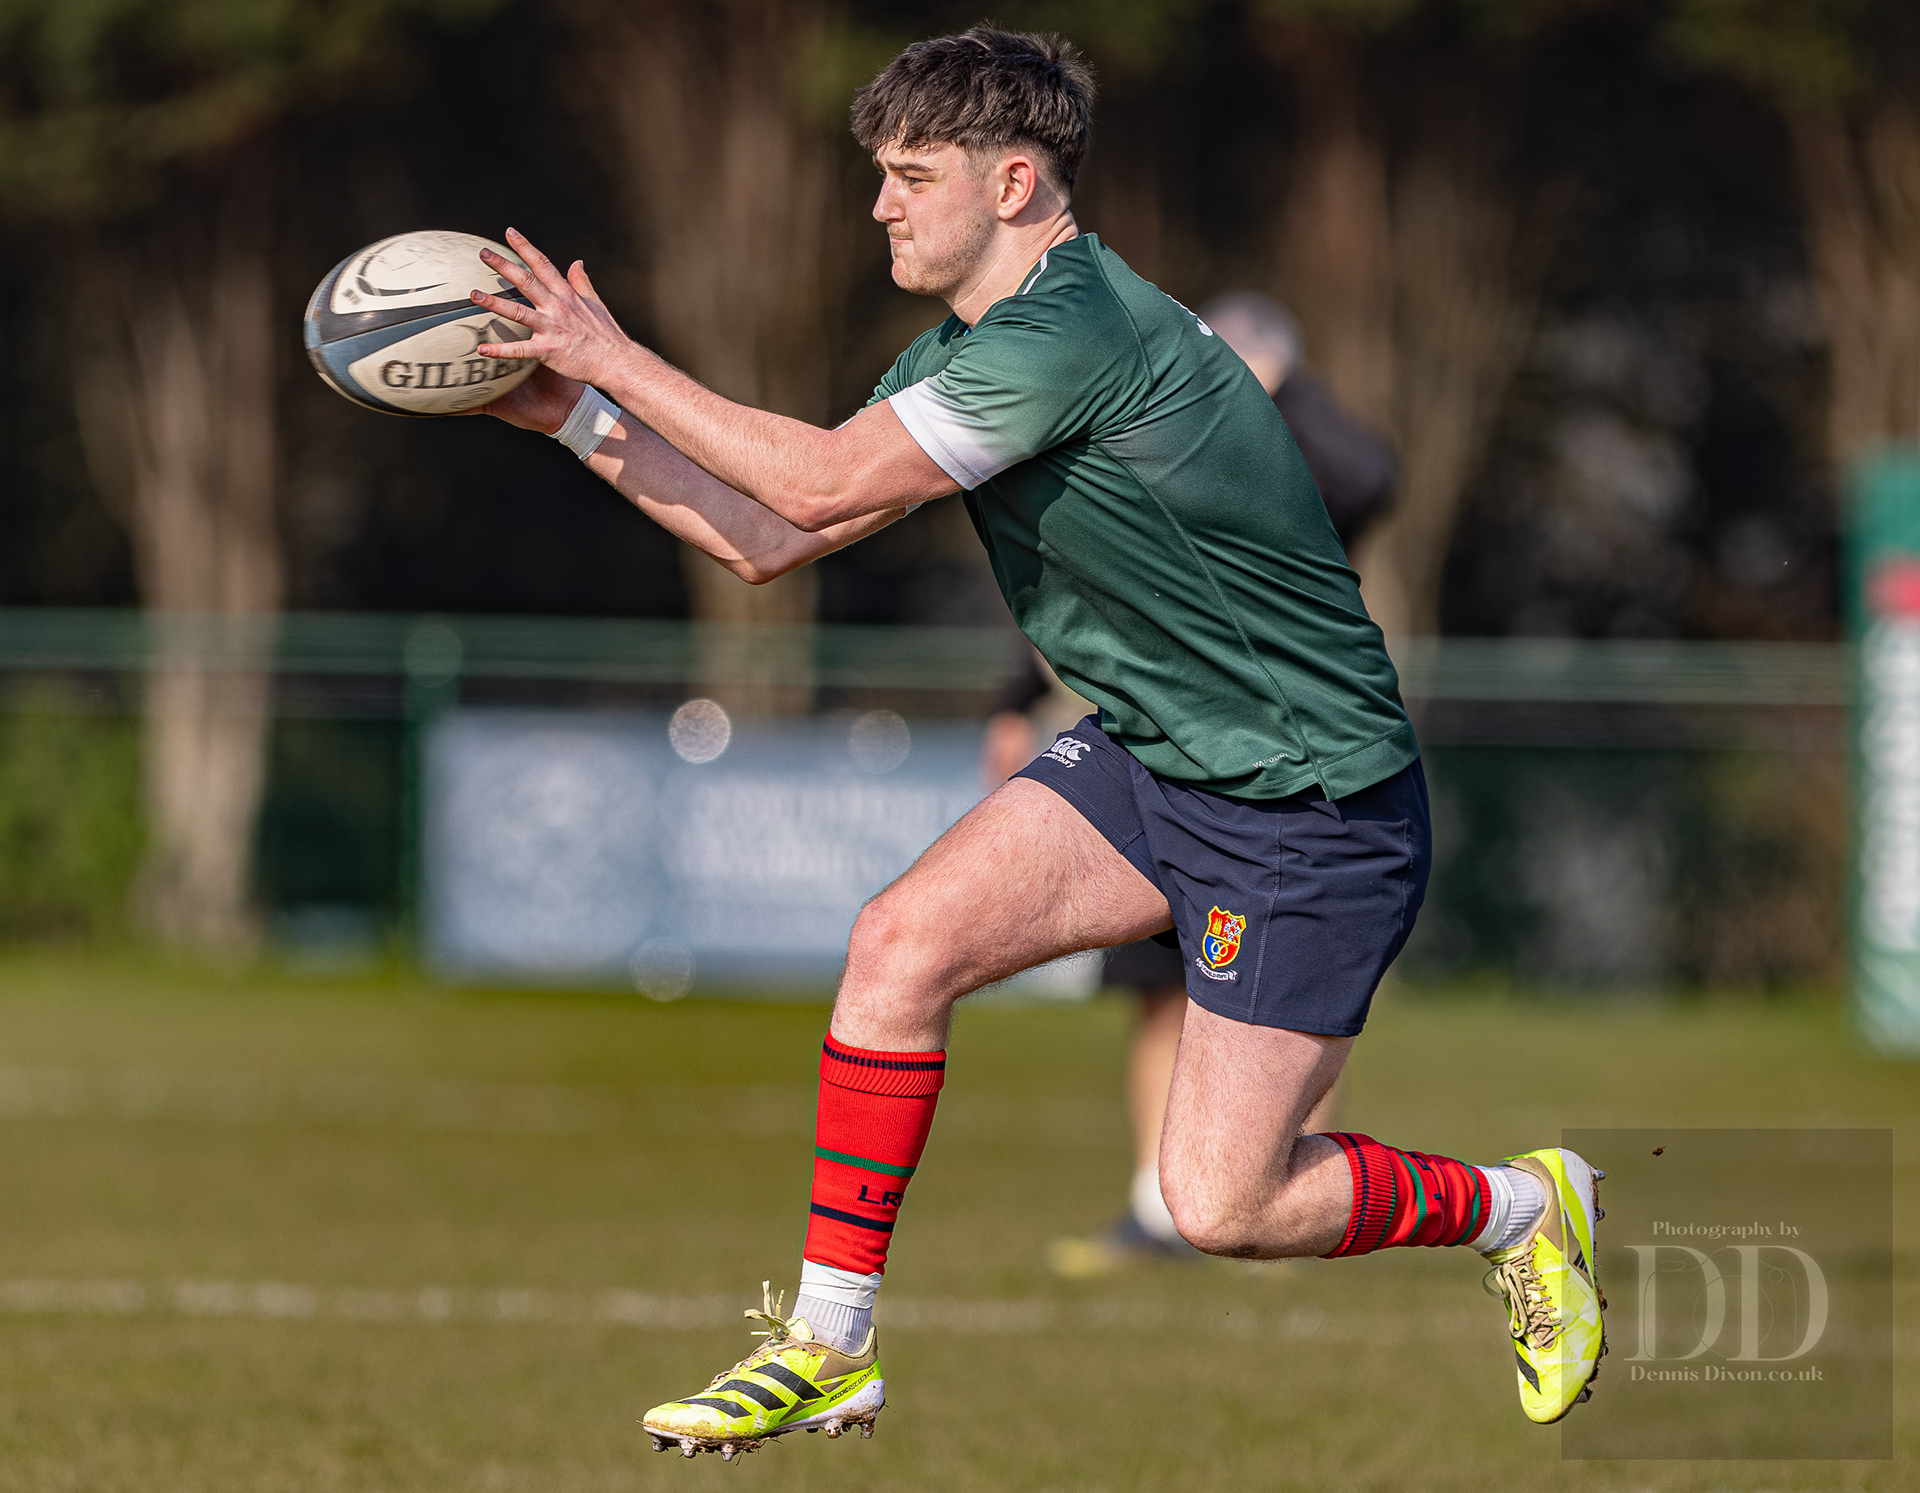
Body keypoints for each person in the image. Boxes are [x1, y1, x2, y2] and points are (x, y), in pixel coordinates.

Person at [466, 26, 1605, 1454]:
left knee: (1225, 1203)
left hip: (1307, 805)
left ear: (1013, 184)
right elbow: (767, 538)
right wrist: (573, 414)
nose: (880, 205)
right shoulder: (972, 348)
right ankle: (829, 1342)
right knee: (900, 945)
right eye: (880, 175)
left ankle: (1523, 1206)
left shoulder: (1078, 330)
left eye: (910, 176)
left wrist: (614, 355)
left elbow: (812, 481)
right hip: (1157, 756)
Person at [985, 295, 1403, 1275]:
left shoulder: (1296, 457)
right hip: (1160, 755)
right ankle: (1153, 1206)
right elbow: (1076, 571)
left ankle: (1285, 1204)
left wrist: (1278, 392)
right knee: (1154, 994)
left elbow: (1373, 478)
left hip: (1286, 774)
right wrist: (1011, 697)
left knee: (1287, 1011)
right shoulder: (1157, 442)